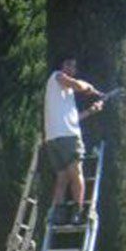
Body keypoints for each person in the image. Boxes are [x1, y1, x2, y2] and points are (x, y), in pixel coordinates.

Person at [43, 55, 105, 226]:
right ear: (62, 66)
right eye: (68, 65)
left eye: (74, 67)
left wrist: (91, 111)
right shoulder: (57, 77)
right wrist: (89, 87)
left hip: (53, 138)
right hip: (67, 137)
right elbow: (78, 85)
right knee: (76, 173)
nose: (71, 68)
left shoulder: (63, 94)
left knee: (62, 177)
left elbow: (72, 119)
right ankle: (77, 212)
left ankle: (58, 214)